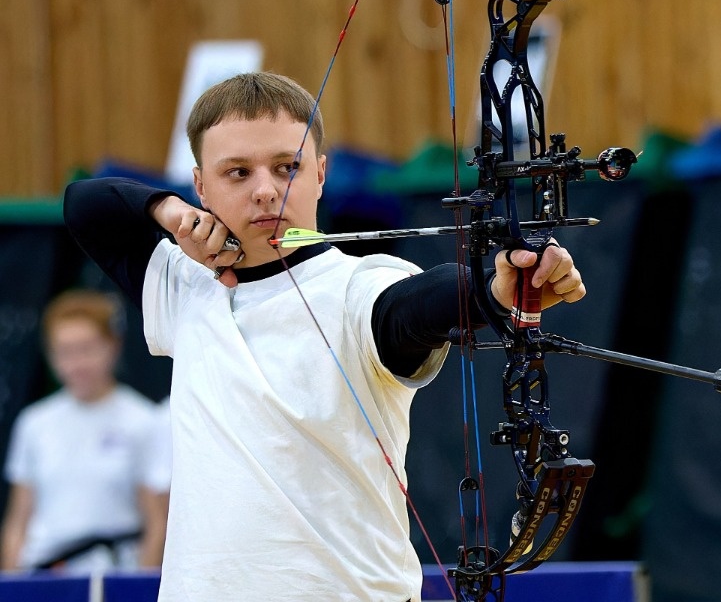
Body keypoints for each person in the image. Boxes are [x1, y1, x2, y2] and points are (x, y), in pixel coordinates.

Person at [62, 72, 585, 601]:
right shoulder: (185, 286)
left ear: (320, 173)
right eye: (237, 172)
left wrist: (492, 290)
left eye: (287, 167)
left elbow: (413, 309)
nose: (266, 190)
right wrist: (169, 211)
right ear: (200, 187)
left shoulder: (361, 287)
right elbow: (85, 203)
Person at [1, 290, 169, 573]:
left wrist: (139, 586)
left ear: (113, 346)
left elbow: (158, 523)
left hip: (111, 575)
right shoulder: (34, 423)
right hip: (43, 575)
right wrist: (12, 583)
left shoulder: (142, 420)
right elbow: (18, 520)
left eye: (87, 349)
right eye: (65, 351)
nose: (77, 364)